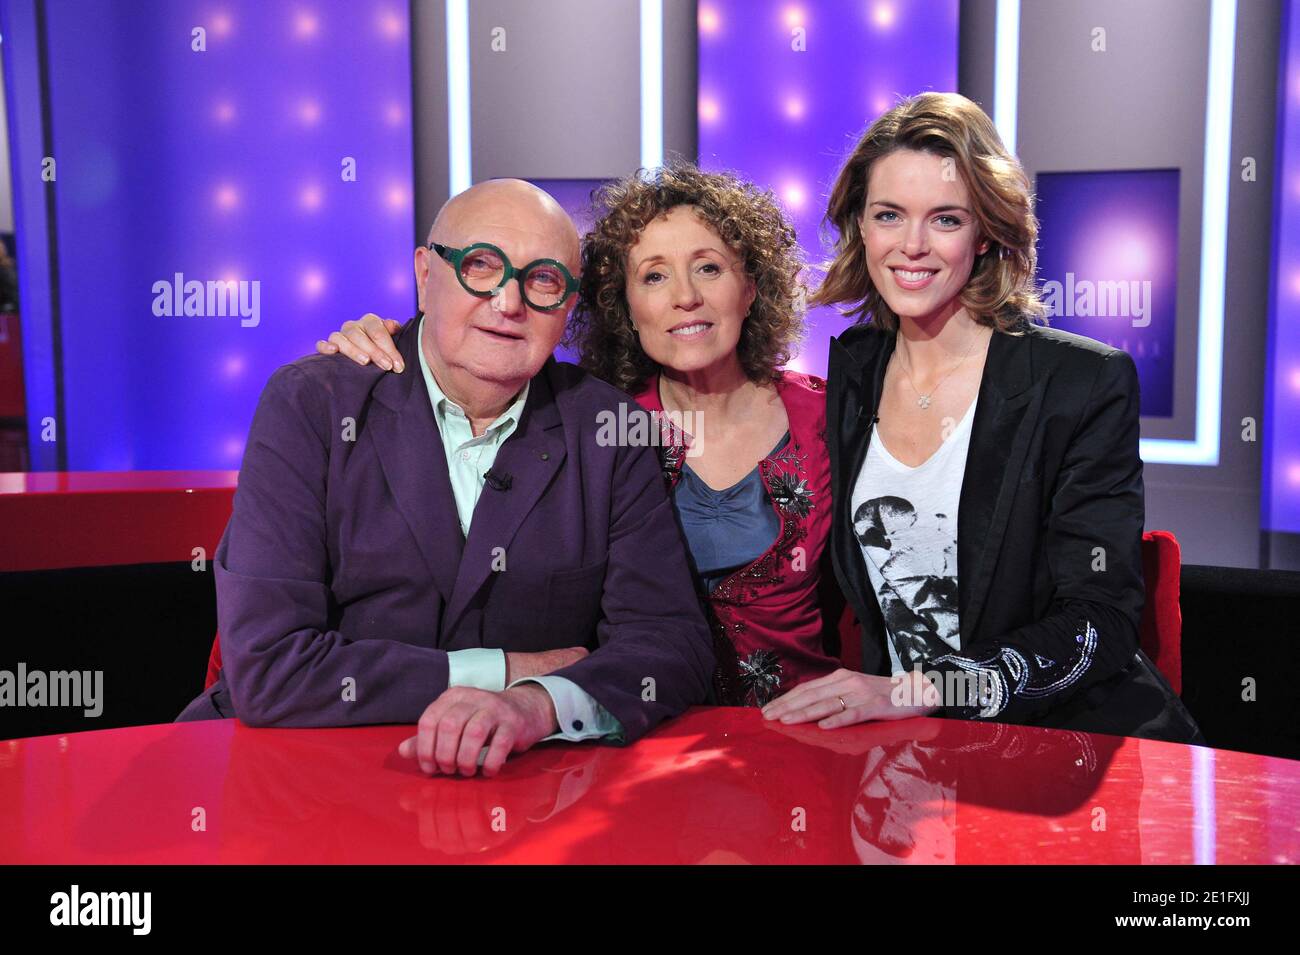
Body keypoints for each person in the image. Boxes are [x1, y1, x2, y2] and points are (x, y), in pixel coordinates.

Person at [176, 179, 716, 776]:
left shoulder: (610, 431)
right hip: (301, 775)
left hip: (519, 790)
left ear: (568, 307)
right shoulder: (312, 404)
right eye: (481, 266)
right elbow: (270, 668)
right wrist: (507, 671)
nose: (508, 303)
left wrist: (537, 705)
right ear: (425, 274)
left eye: (542, 279)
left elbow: (669, 644)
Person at [761, 92, 1203, 744]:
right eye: (889, 215)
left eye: (944, 219)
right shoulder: (851, 374)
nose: (912, 245)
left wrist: (922, 691)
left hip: (1060, 741)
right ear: (861, 225)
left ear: (987, 230)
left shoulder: (1079, 383)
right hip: (903, 751)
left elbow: (1097, 619)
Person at [318, 164, 845, 708]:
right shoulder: (595, 423)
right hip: (632, 730)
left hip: (804, 734)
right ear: (624, 305)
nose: (685, 296)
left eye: (709, 268)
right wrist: (394, 340)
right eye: (654, 276)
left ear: (752, 287)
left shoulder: (829, 415)